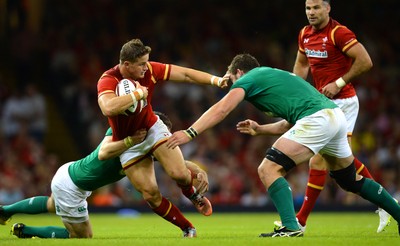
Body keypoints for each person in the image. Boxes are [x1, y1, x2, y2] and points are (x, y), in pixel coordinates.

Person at [166, 53, 400, 237]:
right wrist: (260, 130)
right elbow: (288, 124)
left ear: (239, 71)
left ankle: (291, 226)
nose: (231, 85)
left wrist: (190, 132)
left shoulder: (249, 78)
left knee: (268, 168)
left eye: (231, 80)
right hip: (333, 116)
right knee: (349, 179)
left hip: (318, 119)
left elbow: (223, 108)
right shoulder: (274, 77)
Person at [0, 113, 210, 238]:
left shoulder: (144, 149)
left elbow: (179, 163)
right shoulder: (124, 136)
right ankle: (26, 231)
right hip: (72, 185)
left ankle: (5, 211)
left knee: (51, 204)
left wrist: (198, 171)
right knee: (82, 236)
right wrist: (128, 141)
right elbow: (105, 152)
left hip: (71, 174)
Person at [283, 0, 393, 233]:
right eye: (307, 8)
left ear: (327, 8)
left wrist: (339, 82)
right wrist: (294, 93)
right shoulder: (304, 33)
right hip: (322, 103)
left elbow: (365, 61)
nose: (311, 13)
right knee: (341, 163)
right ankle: (385, 202)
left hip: (343, 102)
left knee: (319, 160)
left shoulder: (338, 32)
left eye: (316, 8)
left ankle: (300, 222)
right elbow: (302, 65)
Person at [97, 38, 228, 218]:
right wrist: (137, 94)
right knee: (151, 195)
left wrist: (216, 80)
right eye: (141, 64)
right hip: (127, 141)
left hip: (151, 127)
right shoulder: (108, 79)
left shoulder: (150, 70)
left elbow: (185, 74)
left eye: (147, 62)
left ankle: (193, 195)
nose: (146, 67)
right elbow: (108, 108)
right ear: (127, 64)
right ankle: (188, 229)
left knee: (179, 174)